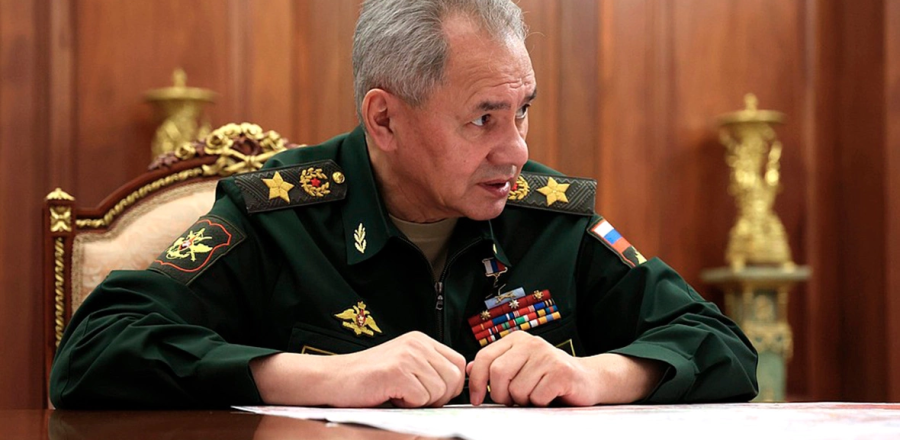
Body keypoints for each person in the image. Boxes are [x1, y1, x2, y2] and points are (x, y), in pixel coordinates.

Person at [50, 0, 757, 409]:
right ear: (384, 120)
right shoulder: (280, 216)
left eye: (523, 111)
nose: (515, 149)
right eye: (483, 118)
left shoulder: (547, 219)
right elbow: (92, 352)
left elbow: (723, 346)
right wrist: (322, 377)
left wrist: (596, 375)